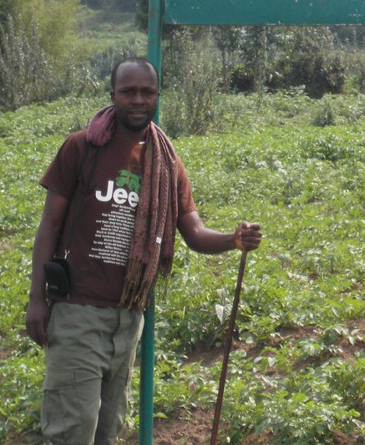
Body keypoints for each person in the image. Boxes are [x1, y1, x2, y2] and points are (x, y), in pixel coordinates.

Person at [25, 57, 262, 445]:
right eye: (129, 91)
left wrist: (233, 240)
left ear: (157, 96)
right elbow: (49, 225)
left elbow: (194, 230)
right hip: (76, 312)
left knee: (107, 429)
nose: (138, 99)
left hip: (128, 317)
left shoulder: (166, 162)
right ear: (113, 95)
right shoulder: (81, 148)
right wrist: (37, 299)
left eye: (146, 92)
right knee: (73, 428)